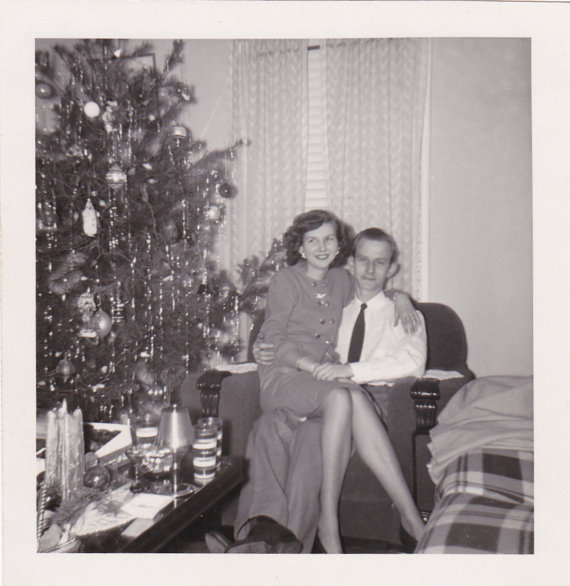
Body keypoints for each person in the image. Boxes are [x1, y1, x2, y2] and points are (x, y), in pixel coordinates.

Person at [208, 213, 426, 553]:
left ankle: (277, 543)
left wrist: (401, 298)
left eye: (379, 263)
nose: (369, 271)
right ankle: (301, 528)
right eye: (363, 262)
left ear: (391, 268)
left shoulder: (388, 305)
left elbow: (412, 360)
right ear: (351, 262)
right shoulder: (315, 284)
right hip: (305, 384)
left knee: (301, 427)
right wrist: (263, 347)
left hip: (339, 398)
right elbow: (274, 330)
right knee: (285, 420)